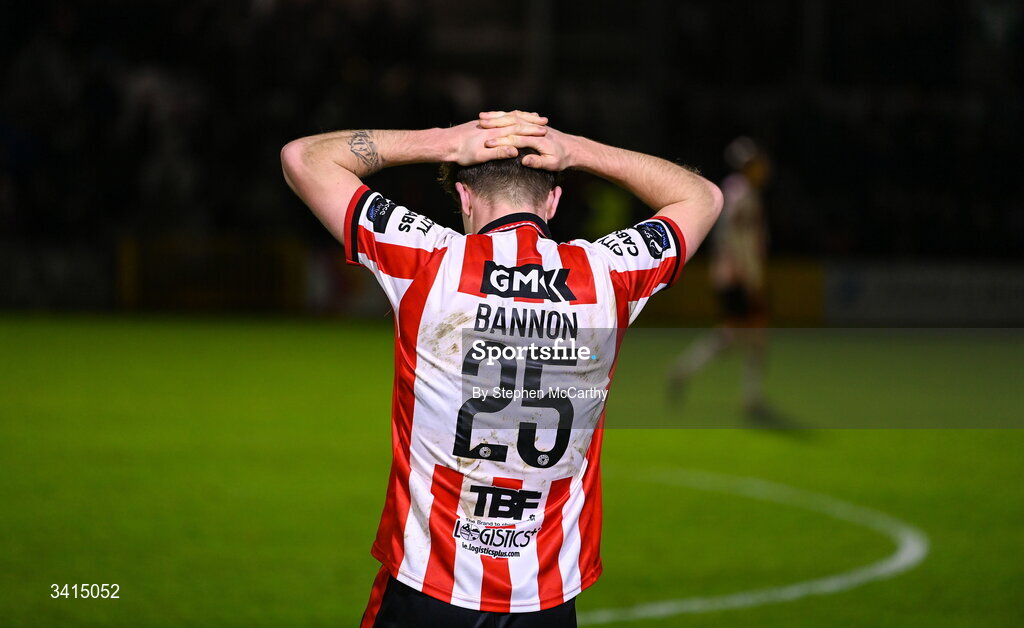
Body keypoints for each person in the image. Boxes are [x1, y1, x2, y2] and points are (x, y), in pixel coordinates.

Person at [281, 111, 722, 627]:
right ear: (554, 201)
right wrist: (577, 149)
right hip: (546, 597)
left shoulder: (428, 260)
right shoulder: (608, 274)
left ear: (464, 197)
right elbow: (703, 197)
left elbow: (303, 158)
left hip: (429, 587)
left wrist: (444, 141)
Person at [667, 136, 770, 416]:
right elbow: (734, 241)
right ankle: (751, 398)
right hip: (737, 275)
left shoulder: (740, 191)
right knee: (752, 335)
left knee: (735, 335)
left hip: (733, 274)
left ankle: (684, 370)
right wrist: (750, 278)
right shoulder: (740, 193)